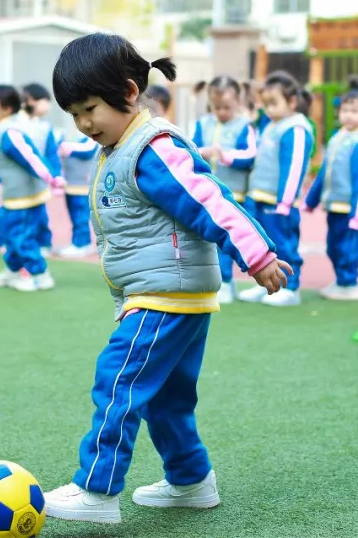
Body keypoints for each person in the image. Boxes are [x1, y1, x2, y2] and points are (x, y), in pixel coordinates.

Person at [42, 33, 290, 526]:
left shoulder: (150, 149)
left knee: (118, 380)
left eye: (90, 108)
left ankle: (97, 489)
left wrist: (255, 253)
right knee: (168, 398)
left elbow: (208, 200)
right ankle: (191, 481)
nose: (85, 123)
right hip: (173, 295)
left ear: (130, 93)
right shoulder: (121, 148)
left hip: (165, 296)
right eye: (73, 114)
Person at [0, 85, 62, 292]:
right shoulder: (0, 132)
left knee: (22, 237)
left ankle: (40, 275)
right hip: (13, 198)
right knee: (10, 236)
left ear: (6, 108)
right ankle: (14, 270)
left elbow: (30, 156)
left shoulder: (10, 132)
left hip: (24, 198)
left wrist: (51, 177)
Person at [236, 71, 314, 307]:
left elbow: (294, 169)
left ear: (291, 102)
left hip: (280, 204)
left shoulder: (296, 129)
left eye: (274, 104)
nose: (268, 110)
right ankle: (268, 287)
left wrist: (285, 203)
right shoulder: (272, 125)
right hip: (260, 197)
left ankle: (291, 289)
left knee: (285, 246)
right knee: (264, 247)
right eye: (266, 104)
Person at [304, 80, 358, 301]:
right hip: (334, 206)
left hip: (350, 209)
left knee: (348, 248)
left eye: (355, 111)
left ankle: (349, 283)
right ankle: (340, 280)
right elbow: (325, 172)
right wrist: (312, 200)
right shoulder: (338, 138)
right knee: (333, 247)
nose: (348, 115)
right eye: (345, 110)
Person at [191, 75, 258, 303]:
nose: (221, 112)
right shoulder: (203, 123)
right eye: (217, 107)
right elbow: (189, 150)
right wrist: (202, 151)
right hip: (206, 193)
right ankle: (211, 281)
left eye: (227, 107)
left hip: (233, 194)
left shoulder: (244, 126)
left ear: (238, 101)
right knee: (205, 239)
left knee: (227, 239)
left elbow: (250, 155)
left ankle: (227, 282)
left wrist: (226, 156)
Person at [22, 83, 63, 257]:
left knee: (39, 214)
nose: (48, 105)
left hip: (40, 179)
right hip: (20, 178)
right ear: (30, 100)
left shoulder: (45, 128)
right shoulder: (15, 124)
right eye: (45, 101)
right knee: (14, 214)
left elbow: (51, 153)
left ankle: (44, 243)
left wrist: (56, 175)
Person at [57, 127, 99, 257]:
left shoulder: (91, 136)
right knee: (74, 216)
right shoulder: (67, 134)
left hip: (83, 184)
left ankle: (82, 244)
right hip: (70, 182)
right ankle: (78, 242)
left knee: (81, 216)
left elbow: (89, 150)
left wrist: (68, 148)